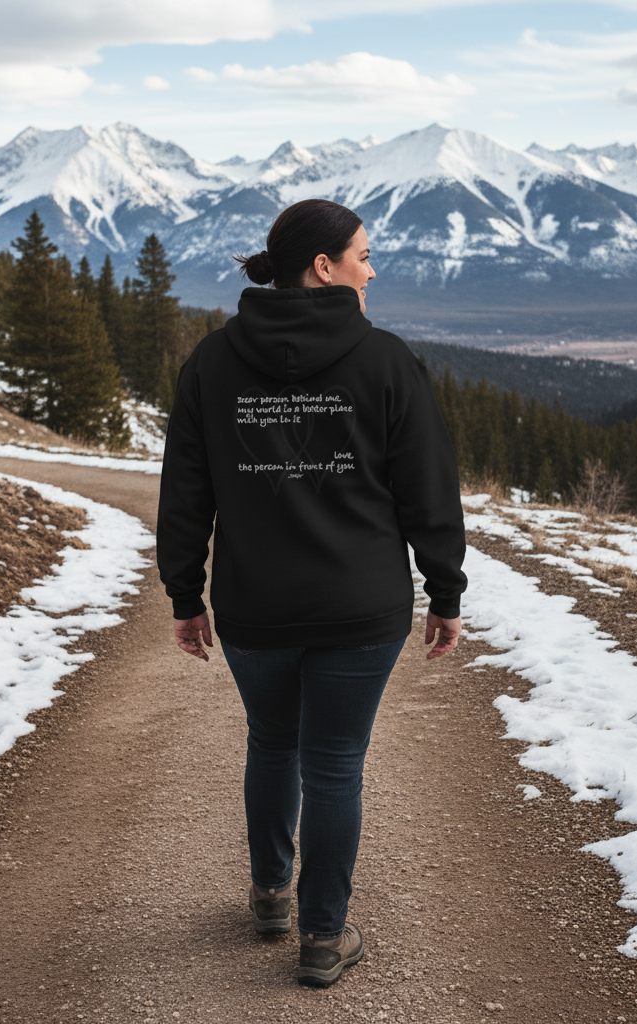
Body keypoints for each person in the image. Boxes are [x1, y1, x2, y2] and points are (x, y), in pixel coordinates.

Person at [156, 198, 467, 987]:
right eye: (364, 254)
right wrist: (444, 590)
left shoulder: (213, 364)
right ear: (323, 267)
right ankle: (324, 937)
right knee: (334, 763)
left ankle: (269, 895)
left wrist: (185, 594)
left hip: (256, 604)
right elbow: (428, 490)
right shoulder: (386, 361)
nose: (372, 267)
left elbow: (185, 492)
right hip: (360, 608)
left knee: (273, 741)